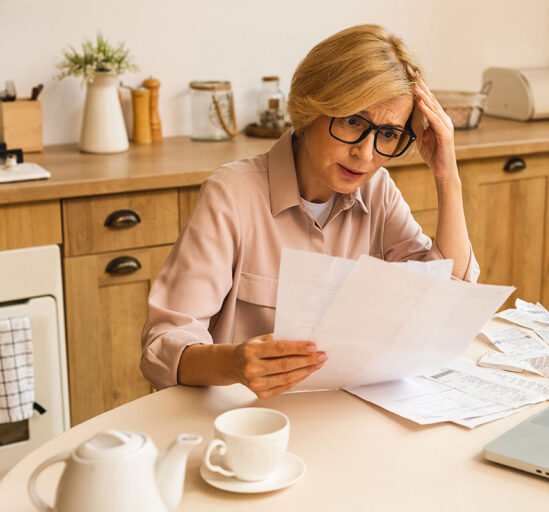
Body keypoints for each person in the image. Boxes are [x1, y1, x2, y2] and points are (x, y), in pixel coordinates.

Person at [140, 24, 480, 398]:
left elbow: (446, 299)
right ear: (310, 107)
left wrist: (448, 179)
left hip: (343, 414)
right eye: (353, 121)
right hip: (248, 424)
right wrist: (235, 363)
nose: (366, 155)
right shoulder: (232, 195)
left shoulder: (378, 191)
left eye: (387, 134)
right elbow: (163, 347)